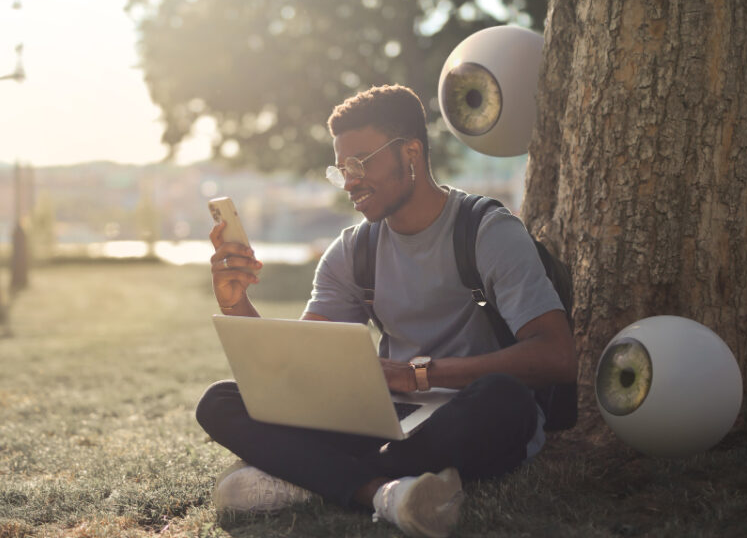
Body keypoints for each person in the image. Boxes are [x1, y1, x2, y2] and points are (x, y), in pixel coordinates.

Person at [197, 85, 577, 537]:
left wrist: (418, 375)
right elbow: (296, 370)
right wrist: (236, 301)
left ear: (410, 153)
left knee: (506, 400)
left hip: (468, 413)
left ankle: (306, 479)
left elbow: (557, 356)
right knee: (219, 401)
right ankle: (382, 491)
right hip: (385, 421)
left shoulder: (488, 232)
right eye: (341, 169)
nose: (350, 180)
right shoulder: (353, 250)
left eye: (360, 162)